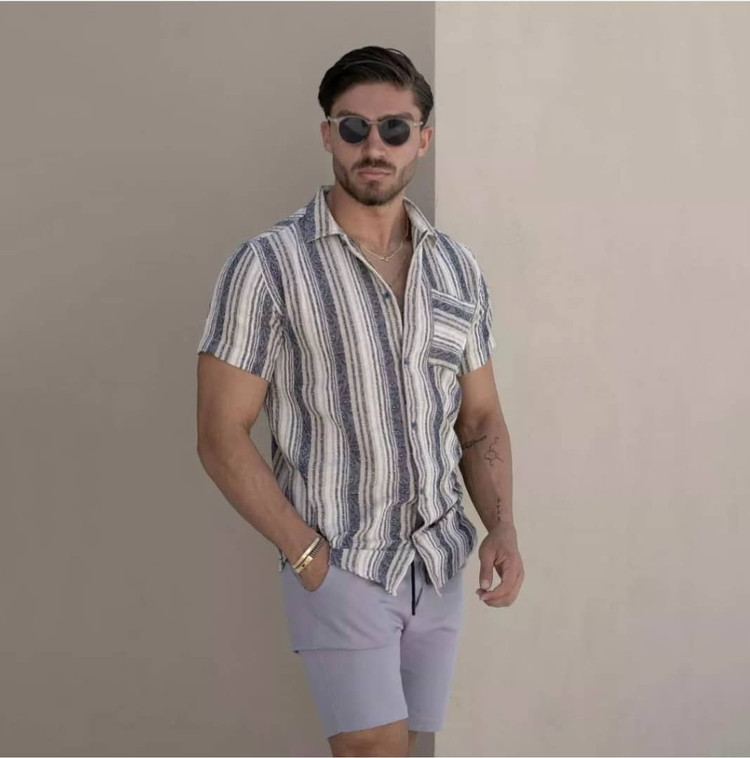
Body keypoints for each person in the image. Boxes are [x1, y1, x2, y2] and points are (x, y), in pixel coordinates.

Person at [196, 45, 524, 757]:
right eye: (354, 127)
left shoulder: (457, 268)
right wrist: (306, 553)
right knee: (372, 750)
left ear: (422, 139)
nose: (374, 146)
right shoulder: (269, 266)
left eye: (395, 128)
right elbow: (220, 433)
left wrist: (500, 527)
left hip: (437, 560)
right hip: (342, 560)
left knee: (414, 749)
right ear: (328, 134)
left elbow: (479, 418)